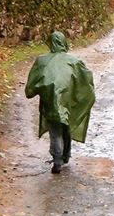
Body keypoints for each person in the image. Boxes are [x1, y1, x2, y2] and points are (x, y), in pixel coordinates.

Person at [24, 32, 96, 173]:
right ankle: (65, 155)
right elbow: (85, 80)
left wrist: (33, 90)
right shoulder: (74, 61)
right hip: (68, 101)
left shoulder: (42, 60)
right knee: (66, 126)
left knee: (55, 130)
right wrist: (82, 97)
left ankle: (57, 160)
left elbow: (32, 85)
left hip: (50, 101)